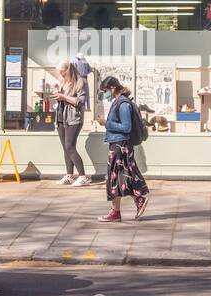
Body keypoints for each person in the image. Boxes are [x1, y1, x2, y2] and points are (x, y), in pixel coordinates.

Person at [96, 75, 149, 222]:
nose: (104, 94)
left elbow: (126, 127)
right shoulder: (117, 102)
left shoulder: (123, 104)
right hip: (117, 144)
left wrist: (106, 123)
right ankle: (118, 210)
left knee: (118, 178)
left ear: (113, 88)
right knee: (119, 177)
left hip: (121, 145)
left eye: (105, 90)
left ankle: (135, 200)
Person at [52, 59, 90, 186]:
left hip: (74, 118)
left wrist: (63, 97)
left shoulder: (80, 82)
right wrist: (57, 94)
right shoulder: (63, 83)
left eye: (63, 73)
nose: (61, 75)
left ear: (68, 70)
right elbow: (61, 100)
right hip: (61, 117)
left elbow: (80, 101)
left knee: (70, 146)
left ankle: (83, 176)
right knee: (65, 148)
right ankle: (69, 175)